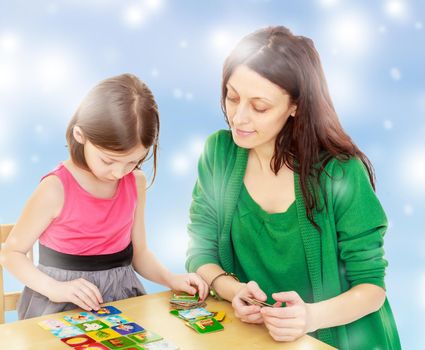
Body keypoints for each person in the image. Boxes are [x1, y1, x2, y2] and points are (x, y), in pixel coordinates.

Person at [185, 26, 401, 349]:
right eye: (232, 96)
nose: (238, 117)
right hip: (264, 341)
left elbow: (371, 287)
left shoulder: (339, 173)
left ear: (295, 106)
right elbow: (200, 252)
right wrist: (234, 290)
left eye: (259, 106)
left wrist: (310, 318)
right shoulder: (219, 154)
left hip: (345, 341)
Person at [0, 73, 208, 319]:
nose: (119, 172)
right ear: (81, 135)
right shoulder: (55, 188)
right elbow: (11, 253)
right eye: (108, 160)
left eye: (133, 161)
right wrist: (55, 289)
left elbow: (139, 253)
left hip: (121, 302)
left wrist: (171, 278)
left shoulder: (135, 182)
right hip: (60, 305)